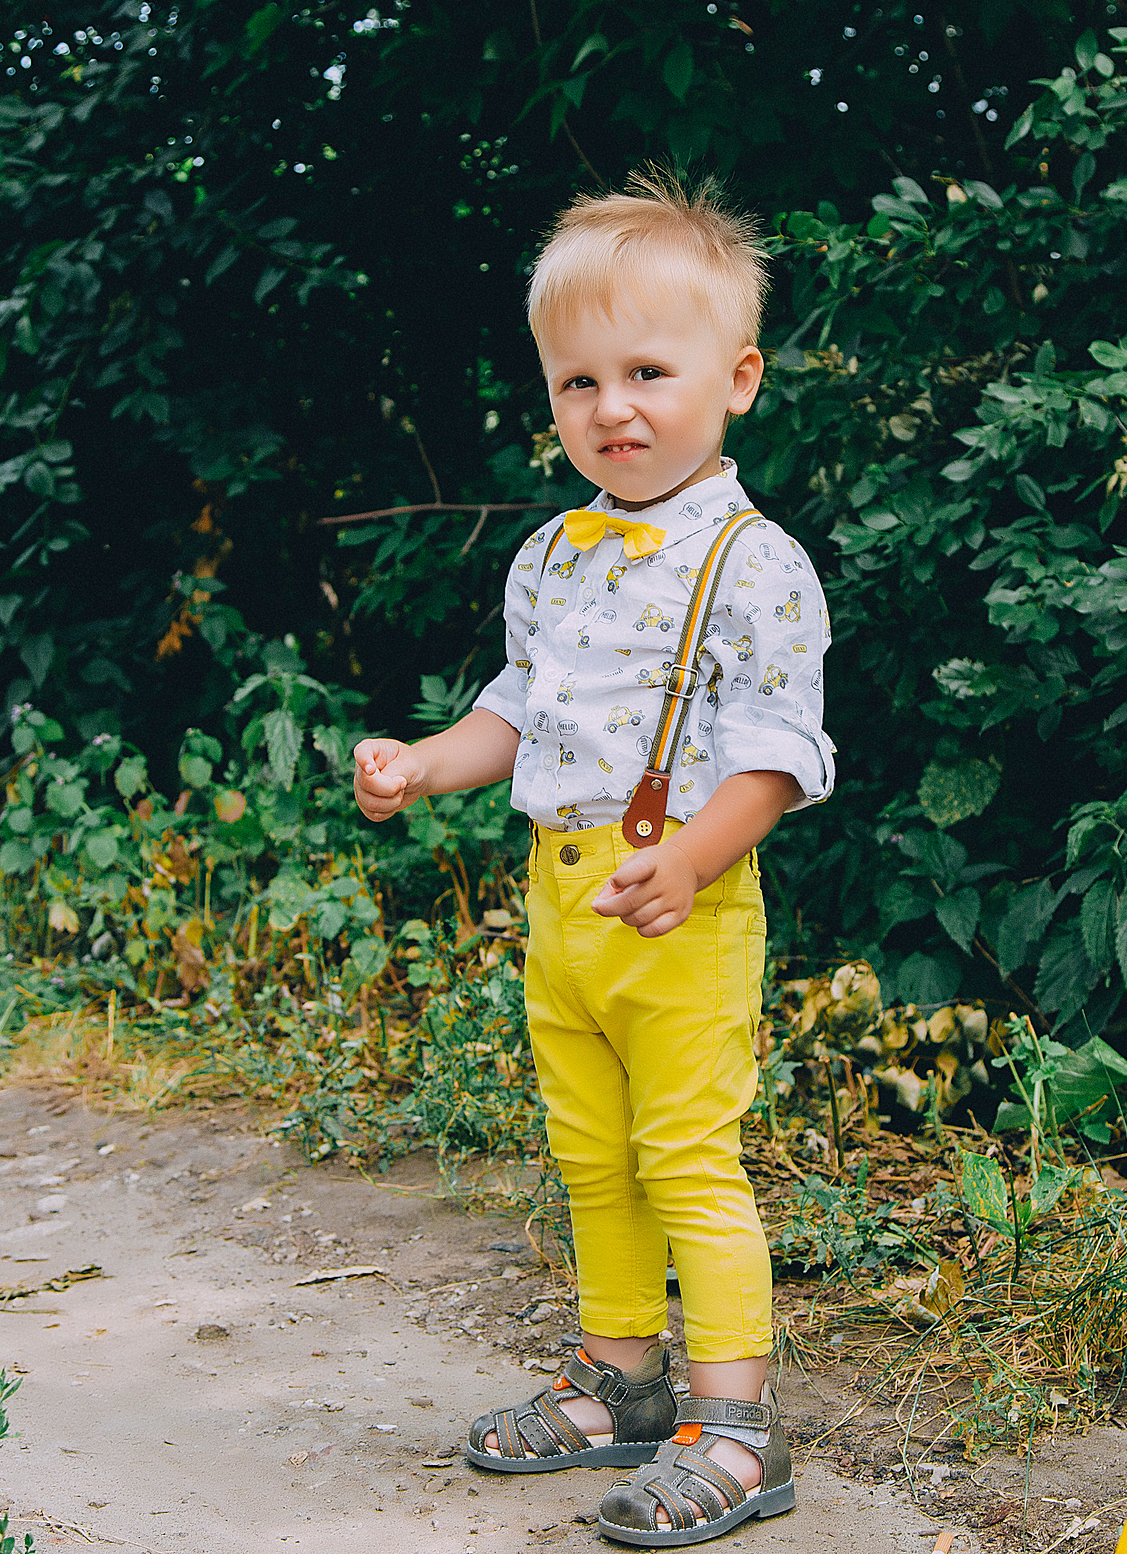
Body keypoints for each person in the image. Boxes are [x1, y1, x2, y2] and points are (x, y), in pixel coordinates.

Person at [352, 169, 833, 1546]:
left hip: (683, 910)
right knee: (594, 1158)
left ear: (736, 379)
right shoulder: (554, 555)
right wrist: (424, 765)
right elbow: (518, 710)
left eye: (646, 372)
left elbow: (782, 754)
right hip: (561, 906)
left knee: (689, 1156)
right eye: (578, 383)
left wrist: (690, 860)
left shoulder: (755, 564)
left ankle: (737, 1429)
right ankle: (623, 1380)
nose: (612, 409)